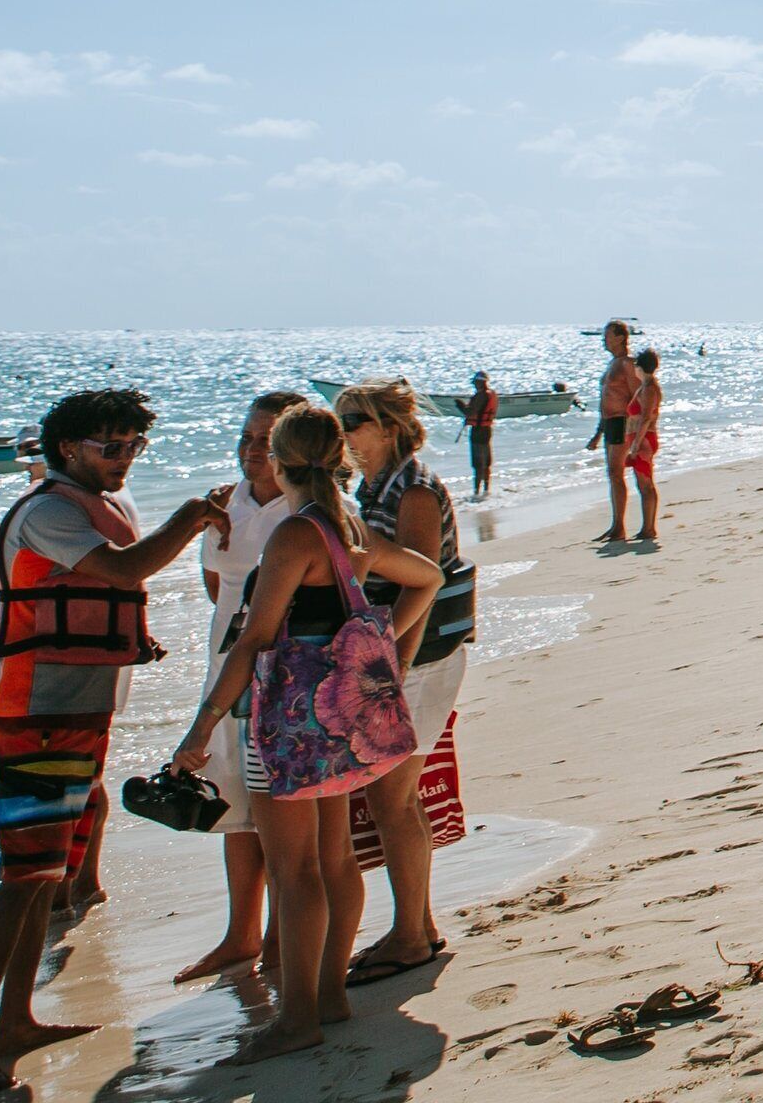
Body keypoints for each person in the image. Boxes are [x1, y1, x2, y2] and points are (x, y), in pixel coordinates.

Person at [0, 389, 219, 1096]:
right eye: (111, 447)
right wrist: (192, 517)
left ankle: (16, 1021)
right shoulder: (49, 512)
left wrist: (133, 636)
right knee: (23, 876)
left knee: (51, 876)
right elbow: (126, 571)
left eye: (134, 446)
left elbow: (107, 590)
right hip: (33, 709)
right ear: (68, 449)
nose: (125, 458)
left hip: (79, 707)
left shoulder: (104, 504)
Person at [164, 407, 439, 1065]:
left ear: (282, 462)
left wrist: (201, 726)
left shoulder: (293, 535)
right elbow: (428, 576)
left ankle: (296, 1017)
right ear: (336, 457)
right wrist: (384, 650)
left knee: (295, 870)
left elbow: (255, 638)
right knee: (335, 860)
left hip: (287, 721)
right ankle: (328, 996)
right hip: (344, 719)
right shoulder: (351, 525)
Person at [337, 380, 475, 986]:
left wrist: (385, 666)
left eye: (355, 421)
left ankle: (410, 934)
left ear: (388, 427)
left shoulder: (413, 490)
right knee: (399, 799)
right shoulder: (371, 487)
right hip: (406, 659)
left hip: (417, 659)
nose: (346, 434)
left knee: (392, 800)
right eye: (339, 422)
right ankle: (416, 925)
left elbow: (421, 582)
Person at [174, 390, 310, 986]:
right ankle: (240, 935)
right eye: (247, 437)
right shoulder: (223, 504)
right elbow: (217, 588)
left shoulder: (306, 510)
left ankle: (286, 937)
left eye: (266, 440)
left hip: (281, 674)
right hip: (223, 665)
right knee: (232, 803)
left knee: (280, 809)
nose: (252, 450)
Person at [593, 322, 642, 543]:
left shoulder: (627, 364)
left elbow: (636, 397)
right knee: (612, 474)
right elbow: (605, 401)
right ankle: (616, 524)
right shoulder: (612, 364)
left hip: (623, 422)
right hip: (610, 423)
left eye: (608, 336)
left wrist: (636, 431)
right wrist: (598, 433)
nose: (604, 340)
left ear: (621, 337)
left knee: (617, 472)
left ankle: (620, 527)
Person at [626, 350, 665, 541]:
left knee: (646, 483)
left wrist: (636, 442)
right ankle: (646, 526)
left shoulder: (649, 388)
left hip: (644, 440)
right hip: (641, 439)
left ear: (640, 367)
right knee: (642, 483)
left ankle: (649, 527)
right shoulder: (645, 386)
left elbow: (646, 417)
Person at [461, 373, 497, 500]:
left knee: (478, 463)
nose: (474, 386)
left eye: (475, 383)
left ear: (480, 382)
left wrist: (460, 406)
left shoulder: (481, 395)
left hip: (478, 431)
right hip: (487, 430)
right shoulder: (490, 394)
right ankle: (486, 490)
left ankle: (476, 492)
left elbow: (470, 412)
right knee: (486, 462)